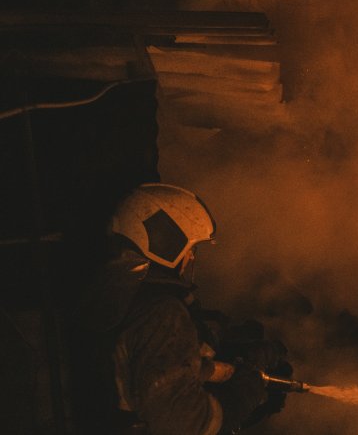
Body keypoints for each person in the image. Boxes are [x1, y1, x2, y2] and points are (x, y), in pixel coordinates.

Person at [73, 183, 286, 435]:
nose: (192, 257)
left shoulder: (114, 293)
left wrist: (214, 366)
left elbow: (148, 369)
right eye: (191, 249)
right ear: (165, 242)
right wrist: (242, 395)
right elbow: (185, 423)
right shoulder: (162, 312)